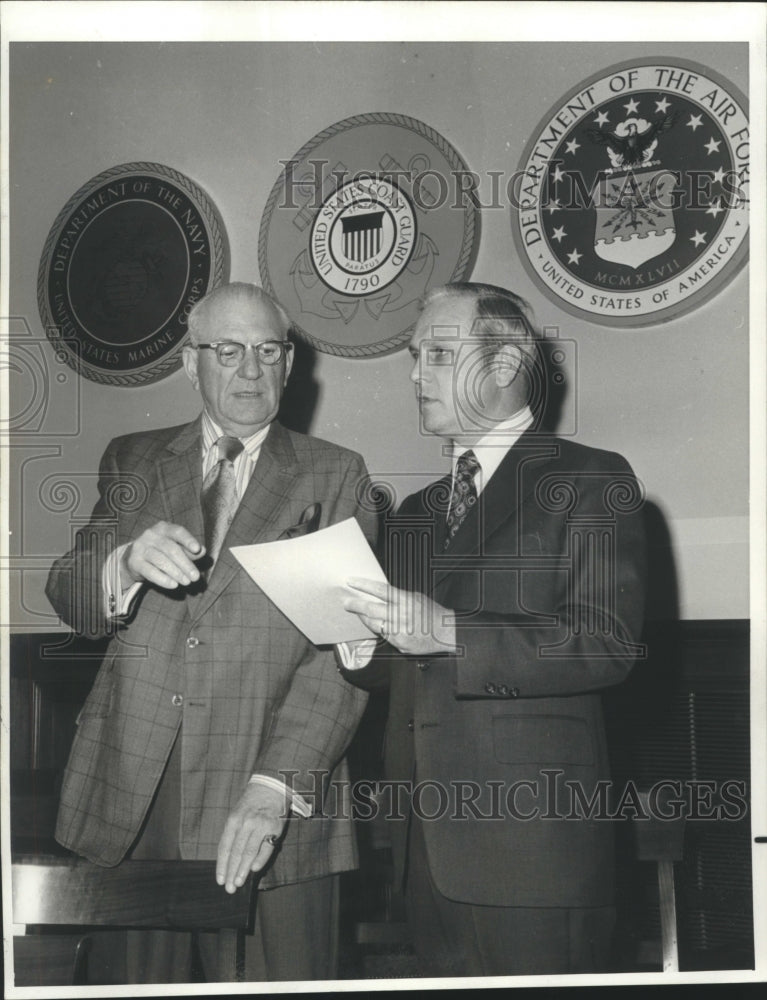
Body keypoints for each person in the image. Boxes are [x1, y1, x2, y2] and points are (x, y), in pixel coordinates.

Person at [46, 282, 377, 983]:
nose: (251, 371)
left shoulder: (336, 475)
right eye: (228, 351)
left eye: (267, 351)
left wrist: (273, 785)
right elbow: (70, 592)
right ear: (190, 364)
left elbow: (340, 663)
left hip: (268, 805)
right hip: (136, 797)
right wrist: (124, 563)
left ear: (290, 365)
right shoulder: (134, 460)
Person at [343, 282, 647, 977]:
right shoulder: (416, 511)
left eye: (439, 354)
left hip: (534, 852)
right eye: (414, 357)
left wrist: (450, 630)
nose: (416, 375)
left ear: (505, 363)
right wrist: (356, 644)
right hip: (423, 851)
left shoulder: (591, 480)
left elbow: (606, 644)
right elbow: (402, 665)